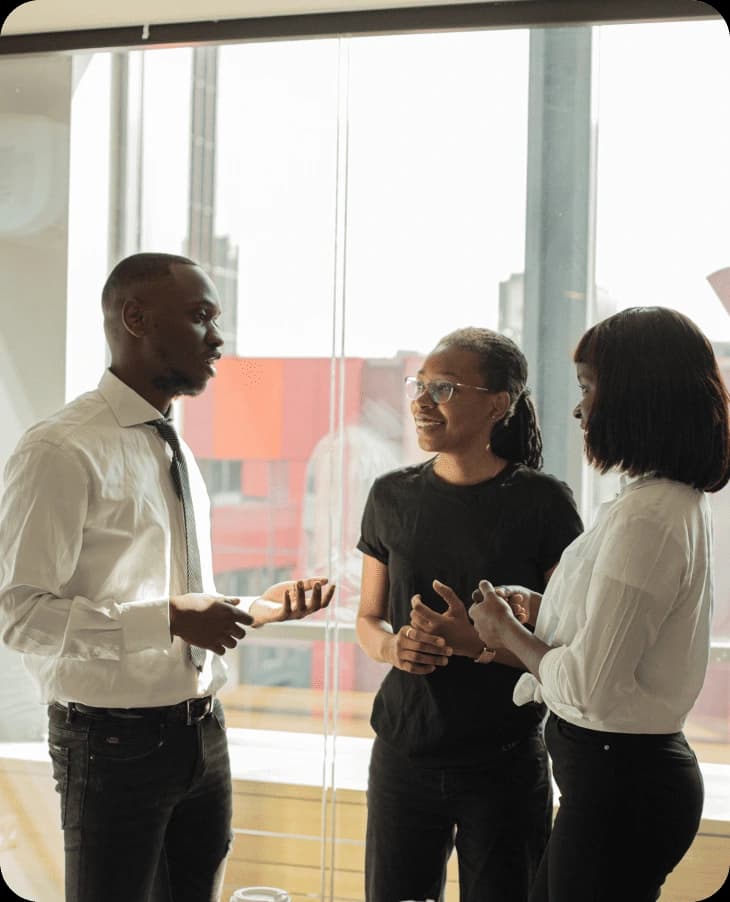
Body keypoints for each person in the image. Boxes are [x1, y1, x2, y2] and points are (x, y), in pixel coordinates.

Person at [0, 252, 335, 902]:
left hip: (204, 736)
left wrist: (260, 608)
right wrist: (174, 619)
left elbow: (171, 597)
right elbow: (21, 615)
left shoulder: (169, 444)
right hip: (112, 743)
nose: (218, 337)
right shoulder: (61, 450)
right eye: (201, 315)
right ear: (135, 317)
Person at [468, 307, 730, 902]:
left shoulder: (650, 516)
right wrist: (542, 611)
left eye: (589, 387)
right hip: (621, 782)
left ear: (638, 396)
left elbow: (589, 686)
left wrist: (509, 632)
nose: (580, 408)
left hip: (623, 787)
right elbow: (623, 636)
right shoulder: (662, 503)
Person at [355, 327, 584, 902]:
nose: (422, 401)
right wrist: (394, 648)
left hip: (503, 762)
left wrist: (476, 644)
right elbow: (368, 620)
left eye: (446, 387)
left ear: (498, 404)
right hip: (403, 756)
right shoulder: (390, 496)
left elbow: (569, 645)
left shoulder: (543, 503)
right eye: (420, 384)